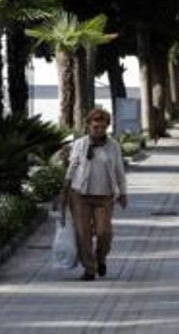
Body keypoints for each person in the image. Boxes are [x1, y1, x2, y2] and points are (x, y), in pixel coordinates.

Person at [63, 108, 128, 281]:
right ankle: (89, 268)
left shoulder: (113, 146)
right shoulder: (80, 144)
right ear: (88, 126)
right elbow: (72, 167)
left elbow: (119, 170)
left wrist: (123, 192)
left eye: (102, 127)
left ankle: (101, 258)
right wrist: (65, 189)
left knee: (104, 232)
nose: (98, 131)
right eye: (95, 127)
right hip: (80, 194)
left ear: (107, 127)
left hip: (105, 195)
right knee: (83, 232)